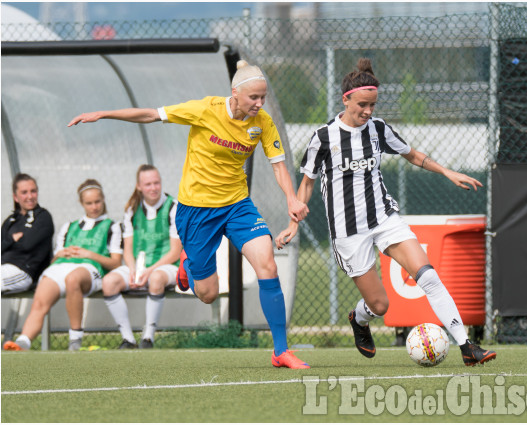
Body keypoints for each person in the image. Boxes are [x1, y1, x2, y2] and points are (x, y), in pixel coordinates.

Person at [67, 60, 310, 368]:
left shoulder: (261, 121)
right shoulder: (205, 109)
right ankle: (188, 264)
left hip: (237, 206)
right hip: (196, 211)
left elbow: (277, 164)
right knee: (207, 293)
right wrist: (104, 114)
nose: (259, 104)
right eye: (254, 98)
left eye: (263, 98)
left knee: (267, 264)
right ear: (235, 93)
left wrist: (290, 198)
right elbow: (151, 114)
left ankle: (280, 350)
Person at [275, 58, 496, 366]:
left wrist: (447, 172)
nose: (368, 111)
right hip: (348, 232)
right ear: (346, 99)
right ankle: (360, 319)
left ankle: (467, 347)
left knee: (428, 276)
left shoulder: (378, 129)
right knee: (380, 305)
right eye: (362, 105)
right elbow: (307, 185)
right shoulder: (323, 138)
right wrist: (293, 223)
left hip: (384, 218)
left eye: (373, 105)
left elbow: (413, 155)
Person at [3, 179, 123, 351]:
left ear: (103, 200)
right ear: (81, 203)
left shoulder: (113, 226)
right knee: (42, 294)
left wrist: (88, 254)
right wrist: (60, 254)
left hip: (90, 270)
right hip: (62, 266)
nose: (94, 206)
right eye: (89, 203)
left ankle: (75, 340)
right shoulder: (69, 227)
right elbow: (54, 260)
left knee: (72, 279)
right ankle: (23, 341)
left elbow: (116, 263)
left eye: (97, 201)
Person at [102, 165, 182, 349]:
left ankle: (148, 338)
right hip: (139, 267)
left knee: (156, 278)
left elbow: (175, 252)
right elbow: (128, 249)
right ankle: (128, 339)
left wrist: (147, 271)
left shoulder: (174, 207)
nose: (153, 188)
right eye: (148, 184)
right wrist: (132, 270)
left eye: (156, 183)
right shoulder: (132, 209)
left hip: (167, 266)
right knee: (109, 282)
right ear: (139, 186)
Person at [2, 173, 54, 294]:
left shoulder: (43, 217)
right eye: (24, 192)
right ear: (15, 197)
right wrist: (11, 239)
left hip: (24, 273)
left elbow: (27, 244)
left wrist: (7, 242)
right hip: (4, 268)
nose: (30, 196)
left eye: (33, 191)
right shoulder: (11, 220)